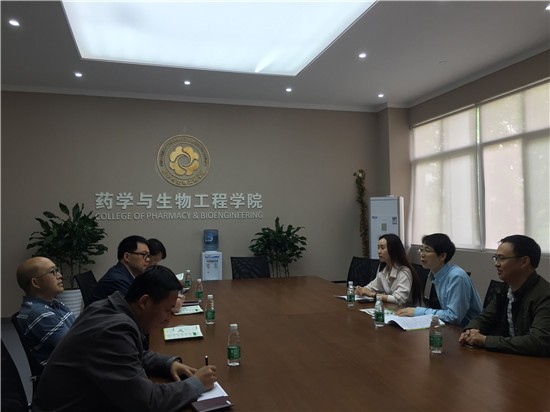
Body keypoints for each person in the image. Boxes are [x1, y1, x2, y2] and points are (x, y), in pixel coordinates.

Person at [32, 265, 217, 411]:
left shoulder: (109, 307)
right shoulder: (112, 330)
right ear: (144, 302)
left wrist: (168, 364)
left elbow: (129, 353)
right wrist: (196, 384)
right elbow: (147, 402)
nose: (168, 318)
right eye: (167, 310)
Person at [459, 235, 550, 357]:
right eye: (495, 258)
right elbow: (484, 318)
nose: (496, 264)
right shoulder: (506, 288)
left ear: (524, 262)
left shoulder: (545, 295)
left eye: (501, 258)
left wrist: (485, 340)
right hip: (510, 358)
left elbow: (537, 342)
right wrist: (470, 331)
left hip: (537, 363)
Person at [396, 233, 482, 327]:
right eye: (421, 250)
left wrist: (418, 312)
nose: (422, 254)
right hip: (451, 327)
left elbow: (453, 316)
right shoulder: (436, 274)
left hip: (467, 330)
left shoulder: (456, 277)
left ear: (442, 256)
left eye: (427, 250)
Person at [14, 257, 76, 371]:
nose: (60, 275)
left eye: (57, 270)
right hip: (65, 374)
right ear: (35, 283)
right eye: (52, 272)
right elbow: (75, 346)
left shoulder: (54, 303)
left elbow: (78, 331)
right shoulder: (38, 313)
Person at [355, 234, 422, 306]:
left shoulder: (404, 272)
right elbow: (370, 288)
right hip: (391, 309)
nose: (379, 251)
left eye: (382, 248)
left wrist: (372, 294)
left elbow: (399, 299)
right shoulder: (384, 271)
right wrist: (361, 289)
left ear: (393, 250)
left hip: (406, 310)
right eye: (378, 248)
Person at [91, 235, 151, 302]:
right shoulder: (118, 280)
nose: (148, 259)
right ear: (127, 257)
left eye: (148, 255)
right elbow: (134, 305)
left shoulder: (123, 273)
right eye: (144, 254)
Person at [146, 238, 185, 313]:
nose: (155, 264)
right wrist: (170, 306)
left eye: (157, 261)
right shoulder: (141, 275)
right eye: (155, 260)